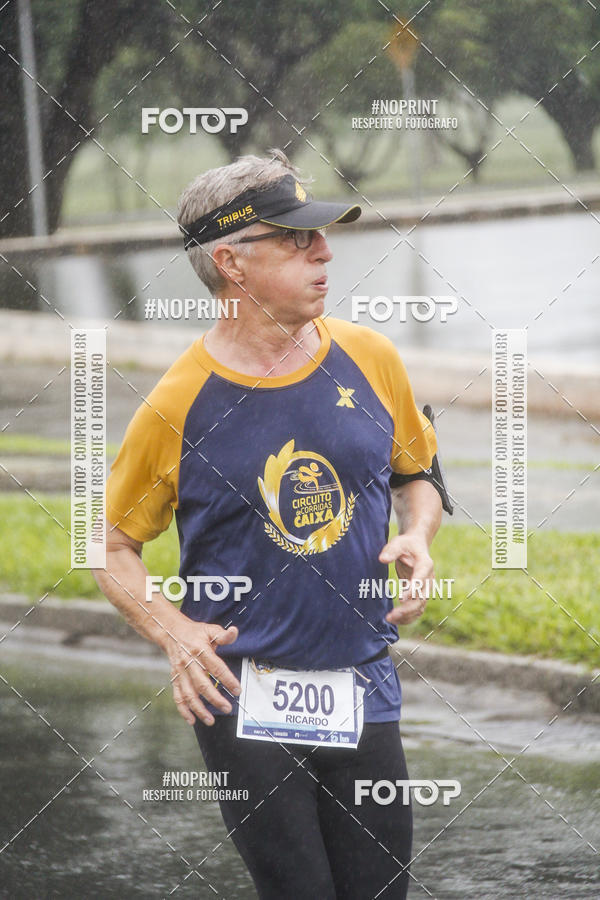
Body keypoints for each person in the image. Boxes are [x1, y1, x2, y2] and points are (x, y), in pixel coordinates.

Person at [93, 149, 449, 899]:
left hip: (363, 680)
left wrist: (417, 534)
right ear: (232, 263)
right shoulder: (176, 405)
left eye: (318, 234)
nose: (323, 252)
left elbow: (419, 474)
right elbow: (111, 545)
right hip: (244, 695)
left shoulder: (371, 356)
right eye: (295, 239)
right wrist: (173, 631)